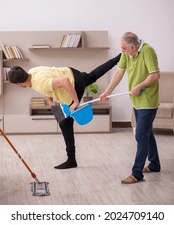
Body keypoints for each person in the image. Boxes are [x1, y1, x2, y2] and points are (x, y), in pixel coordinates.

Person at [8, 53, 121, 169]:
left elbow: (64, 81)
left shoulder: (40, 84)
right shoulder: (32, 72)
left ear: (19, 84)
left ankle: (71, 160)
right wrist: (51, 102)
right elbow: (46, 83)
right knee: (92, 76)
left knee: (65, 123)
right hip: (72, 72)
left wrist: (75, 101)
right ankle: (119, 58)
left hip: (73, 84)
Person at [100, 32, 161, 184]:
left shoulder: (147, 51)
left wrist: (139, 86)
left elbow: (155, 75)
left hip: (148, 100)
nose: (122, 51)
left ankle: (136, 173)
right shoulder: (127, 54)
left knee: (140, 135)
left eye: (124, 48)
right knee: (147, 133)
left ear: (133, 47)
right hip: (136, 101)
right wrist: (107, 92)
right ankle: (154, 164)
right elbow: (119, 72)